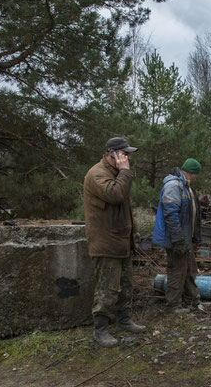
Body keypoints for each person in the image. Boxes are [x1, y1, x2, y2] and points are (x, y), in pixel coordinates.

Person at [83, 137, 145, 347]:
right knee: (107, 289)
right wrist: (125, 171)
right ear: (111, 153)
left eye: (127, 154)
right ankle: (100, 329)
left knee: (125, 285)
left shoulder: (116, 173)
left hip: (120, 241)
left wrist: (132, 237)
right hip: (106, 242)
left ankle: (124, 320)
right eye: (123, 154)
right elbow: (116, 195)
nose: (127, 158)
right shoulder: (97, 173)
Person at [152, 158, 202, 313]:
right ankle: (173, 305)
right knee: (177, 270)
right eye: (196, 175)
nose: (196, 178)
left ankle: (191, 301)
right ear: (191, 173)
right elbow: (171, 215)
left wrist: (193, 238)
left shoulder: (187, 187)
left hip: (185, 238)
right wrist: (178, 240)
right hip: (177, 239)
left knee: (190, 270)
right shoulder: (174, 185)